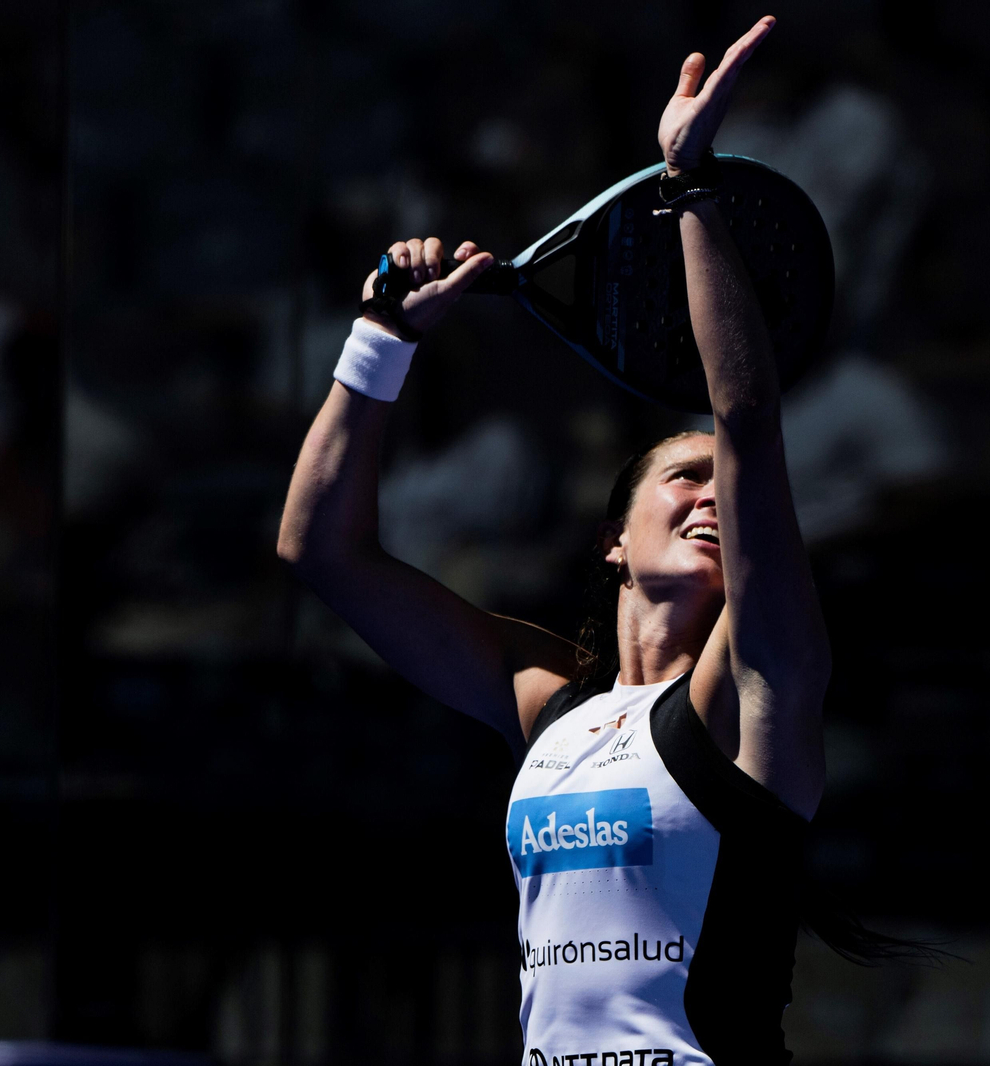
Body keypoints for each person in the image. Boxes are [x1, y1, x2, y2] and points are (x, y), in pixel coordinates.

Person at [280, 16, 864, 1065]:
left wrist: (688, 192)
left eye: (722, 491)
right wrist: (379, 343)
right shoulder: (543, 699)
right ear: (611, 539)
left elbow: (746, 421)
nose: (713, 501)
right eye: (681, 480)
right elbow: (324, 552)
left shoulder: (757, 688)